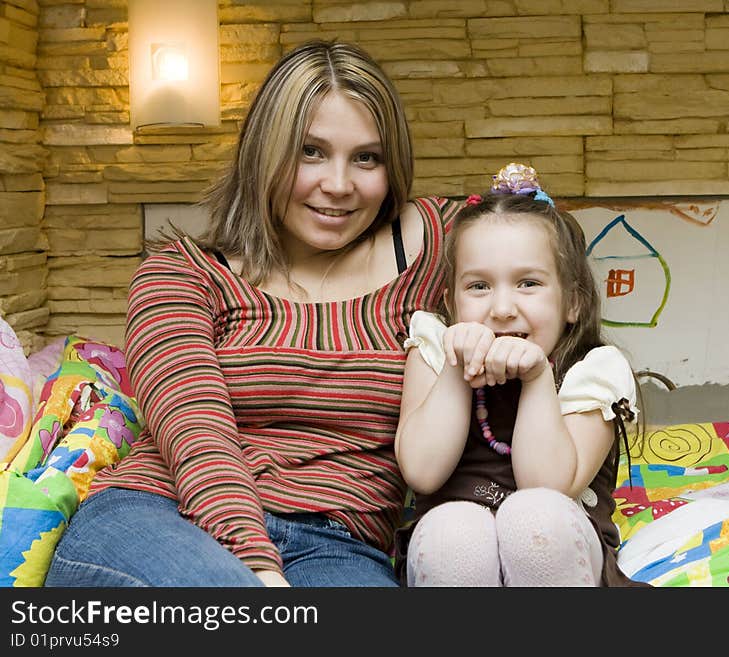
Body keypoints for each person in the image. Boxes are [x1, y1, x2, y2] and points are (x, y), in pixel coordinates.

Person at [45, 39, 462, 587]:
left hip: (337, 545)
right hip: (161, 517)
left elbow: (548, 262)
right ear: (265, 152)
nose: (338, 185)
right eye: (310, 151)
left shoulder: (434, 249)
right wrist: (257, 566)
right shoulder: (185, 275)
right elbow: (197, 430)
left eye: (367, 157)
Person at [393, 163, 649, 587]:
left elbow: (544, 486)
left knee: (533, 518)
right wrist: (458, 368)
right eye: (478, 287)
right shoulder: (435, 351)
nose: (502, 308)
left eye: (528, 283)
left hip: (558, 555)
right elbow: (421, 472)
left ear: (573, 303)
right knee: (453, 528)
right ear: (451, 303)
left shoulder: (595, 370)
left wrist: (536, 380)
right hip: (450, 551)